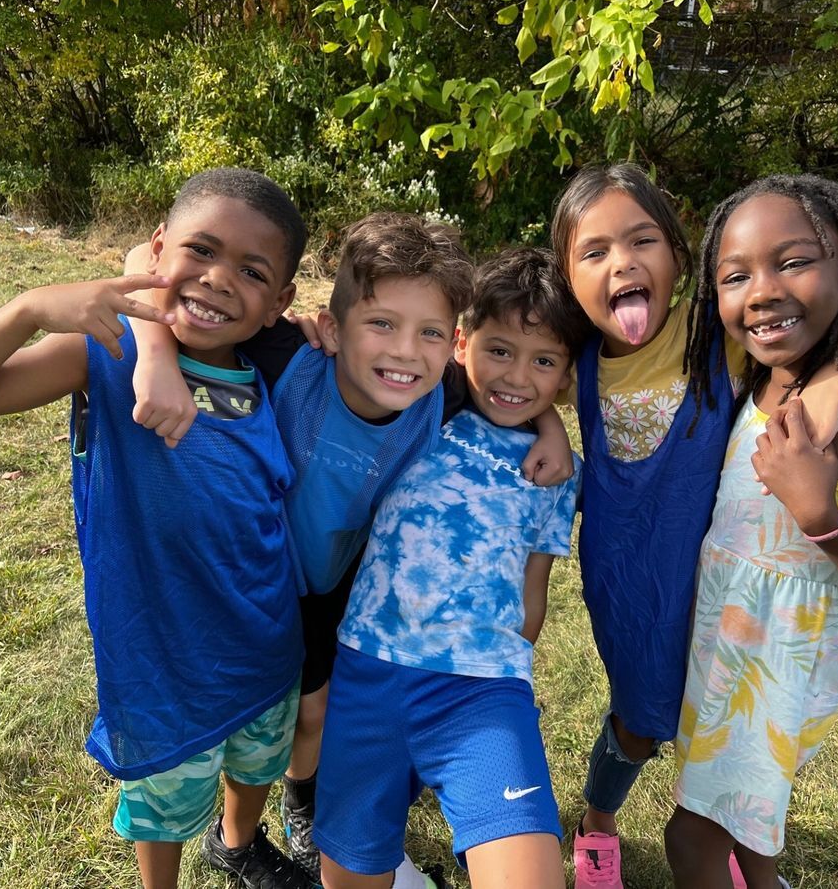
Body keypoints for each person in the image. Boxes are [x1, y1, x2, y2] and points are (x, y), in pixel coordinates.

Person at [125, 214, 574, 885]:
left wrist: (551, 425)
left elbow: (510, 383)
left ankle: (298, 807)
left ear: (446, 343)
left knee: (310, 715)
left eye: (427, 333)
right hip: (269, 589)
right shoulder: (328, 367)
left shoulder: (469, 413)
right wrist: (156, 356)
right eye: (383, 326)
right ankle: (248, 828)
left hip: (407, 631)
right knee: (266, 719)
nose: (404, 350)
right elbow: (151, 265)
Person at [0, 168, 314, 889]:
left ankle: (238, 843)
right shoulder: (107, 356)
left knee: (255, 767)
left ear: (279, 301)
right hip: (165, 664)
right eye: (202, 251)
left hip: (269, 646)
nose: (219, 279)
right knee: (162, 806)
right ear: (158, 250)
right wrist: (24, 310)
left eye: (251, 271)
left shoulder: (272, 373)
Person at [551, 164, 838, 889]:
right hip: (630, 584)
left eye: (643, 240)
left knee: (711, 790)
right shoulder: (574, 354)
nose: (622, 263)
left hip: (734, 618)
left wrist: (836, 378)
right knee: (638, 722)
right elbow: (493, 368)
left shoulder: (722, 341)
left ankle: (744, 864)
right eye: (594, 252)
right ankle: (598, 821)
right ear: (567, 277)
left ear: (678, 254)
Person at [664, 173, 838, 888]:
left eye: (793, 261)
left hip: (779, 670)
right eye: (735, 276)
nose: (761, 290)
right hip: (721, 647)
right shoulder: (755, 372)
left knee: (691, 839)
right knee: (746, 826)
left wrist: (821, 518)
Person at [313, 248, 589, 889]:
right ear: (462, 342)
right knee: (351, 876)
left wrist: (551, 429)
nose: (517, 375)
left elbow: (534, 591)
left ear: (566, 376)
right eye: (500, 350)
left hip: (482, 693)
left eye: (543, 361)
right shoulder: (420, 408)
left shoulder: (554, 473)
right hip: (367, 675)